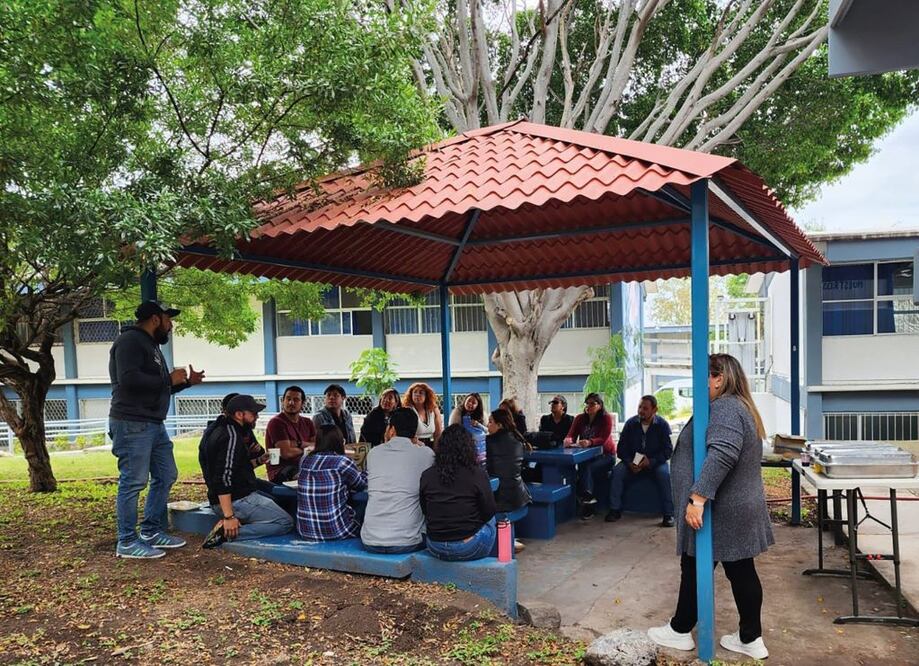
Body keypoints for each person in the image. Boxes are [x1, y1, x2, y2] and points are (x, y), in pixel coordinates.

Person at [648, 353, 773, 661]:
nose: (698, 382)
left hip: (721, 510)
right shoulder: (734, 406)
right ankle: (750, 638)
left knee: (695, 566)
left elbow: (723, 455)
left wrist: (697, 498)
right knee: (739, 570)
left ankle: (680, 630)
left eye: (703, 376)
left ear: (718, 378)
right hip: (733, 507)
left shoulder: (727, 407)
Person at [108, 300, 205, 559]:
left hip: (152, 423)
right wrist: (167, 378)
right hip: (132, 423)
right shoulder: (130, 342)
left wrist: (185, 384)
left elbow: (158, 386)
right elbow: (128, 380)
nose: (171, 324)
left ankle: (151, 530)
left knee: (166, 473)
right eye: (168, 319)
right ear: (154, 319)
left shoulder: (150, 345)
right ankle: (127, 541)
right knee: (133, 481)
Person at [199, 395, 293, 549]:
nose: (257, 417)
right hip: (237, 500)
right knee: (285, 522)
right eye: (254, 413)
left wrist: (258, 461)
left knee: (275, 497)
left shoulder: (218, 429)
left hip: (230, 497)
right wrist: (229, 516)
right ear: (239, 415)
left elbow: (232, 468)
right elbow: (224, 477)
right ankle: (227, 533)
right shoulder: (231, 436)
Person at [360, 407, 435, 553]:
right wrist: (420, 444)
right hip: (408, 542)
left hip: (370, 541)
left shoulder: (374, 453)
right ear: (415, 433)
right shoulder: (426, 454)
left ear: (392, 429)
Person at [420, 425, 497, 561]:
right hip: (468, 547)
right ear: (469, 447)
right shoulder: (477, 473)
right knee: (492, 520)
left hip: (435, 546)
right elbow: (489, 510)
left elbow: (425, 509)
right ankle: (496, 559)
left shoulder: (427, 475)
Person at [607, 395, 674, 526]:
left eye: (645, 408)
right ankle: (615, 509)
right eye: (639, 407)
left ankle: (668, 514)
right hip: (632, 461)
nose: (641, 411)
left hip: (654, 462)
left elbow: (667, 451)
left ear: (655, 410)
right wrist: (629, 462)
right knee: (617, 472)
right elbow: (621, 448)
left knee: (665, 475)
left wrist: (652, 461)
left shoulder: (662, 425)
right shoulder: (631, 424)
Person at [296, 425, 367, 541]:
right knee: (362, 507)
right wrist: (365, 473)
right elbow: (360, 485)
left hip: (306, 531)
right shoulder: (342, 462)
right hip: (336, 531)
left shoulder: (305, 460)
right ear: (340, 441)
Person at [565, 392, 616, 520]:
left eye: (592, 404)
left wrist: (590, 442)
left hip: (606, 456)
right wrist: (568, 440)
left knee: (586, 469)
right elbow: (571, 434)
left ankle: (588, 504)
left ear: (600, 405)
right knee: (583, 466)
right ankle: (586, 500)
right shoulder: (580, 418)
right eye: (587, 404)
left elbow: (603, 439)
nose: (589, 406)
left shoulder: (606, 418)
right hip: (586, 457)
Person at [265, 385, 316, 482]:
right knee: (306, 476)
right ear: (282, 401)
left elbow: (317, 446)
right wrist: (307, 449)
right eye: (288, 399)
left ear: (303, 403)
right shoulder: (276, 422)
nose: (291, 402)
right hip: (281, 471)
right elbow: (286, 453)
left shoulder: (308, 422)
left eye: (296, 400)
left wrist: (298, 444)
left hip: (305, 465)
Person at [486, 408, 531, 513]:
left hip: (499, 499)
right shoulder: (518, 440)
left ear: (499, 425)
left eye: (490, 422)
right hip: (519, 496)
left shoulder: (488, 443)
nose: (487, 425)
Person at [450, 392, 488, 465]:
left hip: (478, 449)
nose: (470, 404)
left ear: (478, 405)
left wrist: (478, 425)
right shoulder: (457, 412)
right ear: (465, 401)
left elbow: (487, 430)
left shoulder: (482, 414)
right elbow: (452, 429)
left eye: (474, 403)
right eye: (469, 401)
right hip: (460, 446)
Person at [403, 382, 443, 447]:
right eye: (415, 392)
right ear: (411, 395)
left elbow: (438, 434)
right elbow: (405, 435)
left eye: (421, 393)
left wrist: (436, 450)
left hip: (431, 445)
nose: (417, 395)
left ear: (427, 396)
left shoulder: (434, 409)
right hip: (413, 446)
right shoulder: (407, 410)